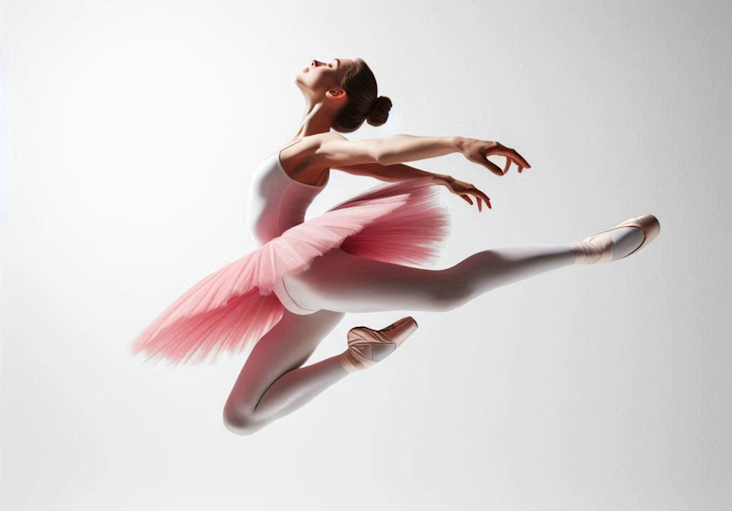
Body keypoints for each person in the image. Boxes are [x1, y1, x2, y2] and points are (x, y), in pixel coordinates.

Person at [130, 57, 661, 436]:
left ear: (335, 94)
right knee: (241, 417)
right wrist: (439, 179)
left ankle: (589, 249)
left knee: (447, 291)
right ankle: (357, 358)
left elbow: (380, 151)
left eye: (331, 64)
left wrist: (458, 145)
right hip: (297, 287)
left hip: (306, 267)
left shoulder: (317, 144)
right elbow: (373, 160)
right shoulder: (312, 147)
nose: (318, 60)